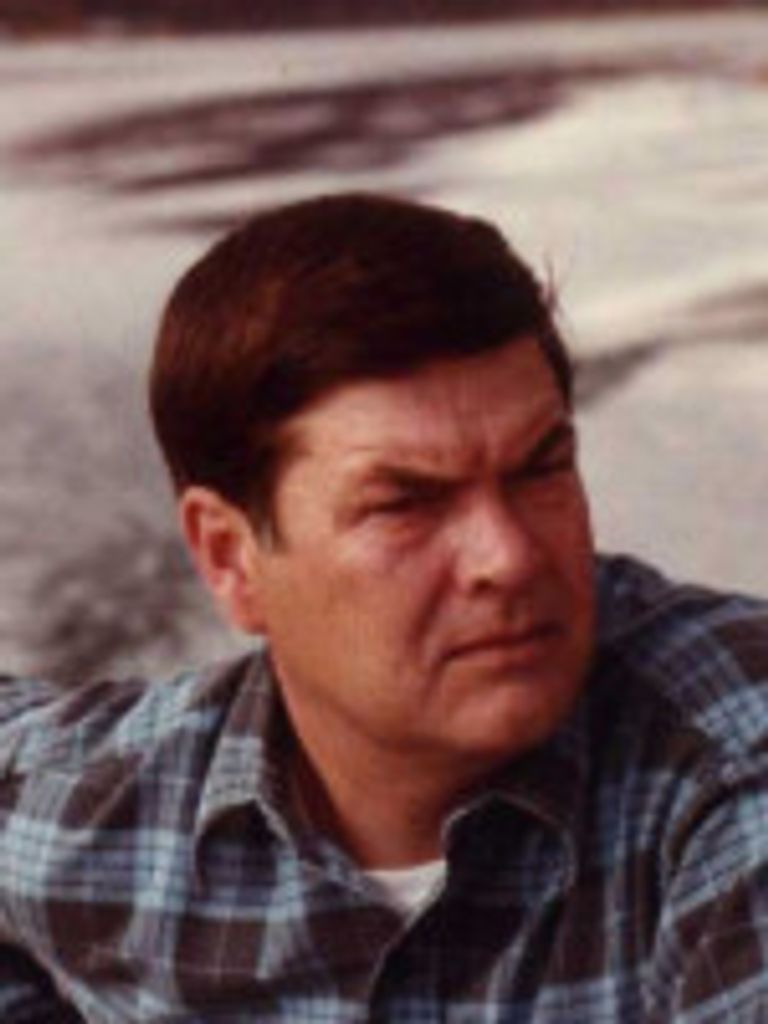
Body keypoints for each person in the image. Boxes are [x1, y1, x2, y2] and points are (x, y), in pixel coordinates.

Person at [0, 193, 766, 1023]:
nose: (508, 557)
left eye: (540, 469)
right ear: (228, 557)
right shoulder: (104, 813)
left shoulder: (732, 771)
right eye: (405, 504)